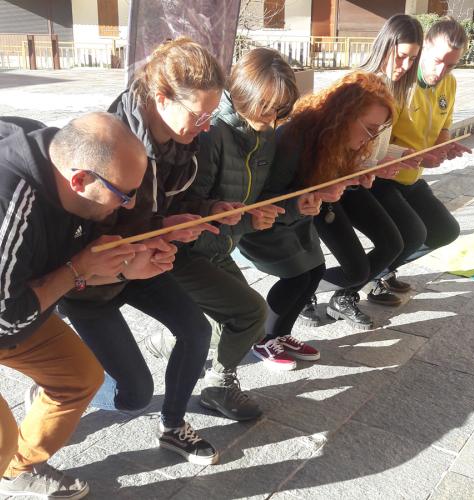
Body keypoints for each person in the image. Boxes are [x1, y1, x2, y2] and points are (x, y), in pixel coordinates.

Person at [60, 38, 225, 465]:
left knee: (196, 330)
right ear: (162, 96)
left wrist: (186, 219)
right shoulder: (111, 138)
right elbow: (82, 233)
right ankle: (62, 384)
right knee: (133, 395)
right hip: (88, 283)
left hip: (136, 262)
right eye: (200, 114)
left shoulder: (182, 141)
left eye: (212, 114)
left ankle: (173, 426)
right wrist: (131, 257)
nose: (207, 125)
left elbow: (158, 209)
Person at [0, 113, 153, 499]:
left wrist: (126, 270)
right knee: (0, 439)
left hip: (15, 298)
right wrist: (77, 269)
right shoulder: (11, 203)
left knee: (81, 376)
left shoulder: (62, 154)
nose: (130, 203)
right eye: (124, 194)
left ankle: (17, 469)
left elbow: (76, 265)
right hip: (5, 313)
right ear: (80, 180)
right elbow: (5, 323)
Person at [147, 48, 305, 417]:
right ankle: (218, 384)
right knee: (250, 313)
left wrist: (279, 211)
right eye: (268, 107)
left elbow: (255, 200)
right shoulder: (212, 132)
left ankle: (172, 341)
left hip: (218, 246)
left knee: (247, 321)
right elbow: (190, 205)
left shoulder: (263, 134)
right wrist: (234, 218)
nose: (274, 118)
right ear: (245, 94)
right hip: (185, 251)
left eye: (282, 110)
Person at [238, 71, 395, 356]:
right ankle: (264, 339)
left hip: (297, 218)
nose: (371, 137)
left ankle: (282, 334)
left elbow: (324, 180)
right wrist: (300, 203)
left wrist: (354, 177)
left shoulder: (334, 138)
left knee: (315, 271)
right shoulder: (295, 137)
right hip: (267, 224)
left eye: (378, 130)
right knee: (296, 276)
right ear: (345, 114)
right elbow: (263, 197)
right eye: (370, 128)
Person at [300, 14, 424, 330]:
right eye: (402, 55)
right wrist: (369, 168)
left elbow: (370, 150)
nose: (406, 64)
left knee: (393, 243)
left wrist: (397, 156)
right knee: (355, 263)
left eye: (413, 59)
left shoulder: (392, 88)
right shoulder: (359, 85)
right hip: (327, 181)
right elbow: (335, 143)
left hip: (354, 182)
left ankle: (341, 296)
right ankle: (299, 293)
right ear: (385, 45)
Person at [371, 17, 471, 285]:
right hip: (383, 176)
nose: (441, 72)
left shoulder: (449, 84)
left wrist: (444, 147)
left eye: (451, 65)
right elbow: (374, 144)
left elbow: (444, 127)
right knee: (411, 234)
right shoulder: (398, 82)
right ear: (424, 46)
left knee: (445, 231)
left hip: (412, 175)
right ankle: (350, 287)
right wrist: (413, 155)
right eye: (438, 61)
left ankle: (381, 271)